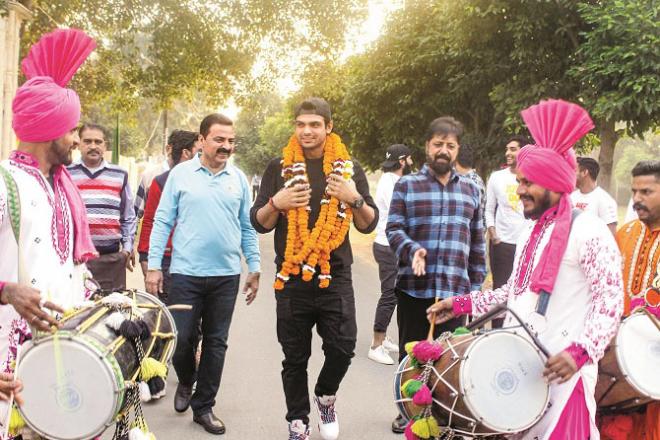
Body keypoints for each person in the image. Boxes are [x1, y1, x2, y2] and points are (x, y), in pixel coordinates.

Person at [428, 99, 623, 439]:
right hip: (521, 372)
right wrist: (460, 304)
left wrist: (580, 353)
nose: (519, 192)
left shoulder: (589, 230)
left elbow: (610, 301)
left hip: (565, 378)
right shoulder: (532, 230)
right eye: (519, 182)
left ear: (553, 182)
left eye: (528, 183)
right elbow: (513, 293)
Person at [250, 97, 377, 440]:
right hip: (291, 276)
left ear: (328, 127)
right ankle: (298, 421)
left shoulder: (347, 168)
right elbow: (259, 222)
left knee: (343, 346)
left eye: (315, 124)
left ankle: (325, 396)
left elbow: (368, 224)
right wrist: (277, 202)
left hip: (335, 275)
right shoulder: (279, 168)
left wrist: (354, 198)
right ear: (295, 127)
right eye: (301, 124)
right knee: (294, 356)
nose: (307, 131)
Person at [0, 28, 97, 412]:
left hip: (60, 356)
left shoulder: (61, 187)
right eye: (72, 129)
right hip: (10, 364)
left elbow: (67, 266)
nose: (77, 139)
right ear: (48, 130)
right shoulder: (6, 182)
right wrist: (7, 290)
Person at [146, 113, 260, 435]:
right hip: (185, 274)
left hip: (225, 276)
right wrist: (155, 265)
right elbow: (163, 222)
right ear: (202, 140)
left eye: (231, 141)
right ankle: (185, 378)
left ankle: (204, 407)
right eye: (219, 139)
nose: (226, 146)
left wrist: (255, 266)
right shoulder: (180, 176)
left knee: (216, 342)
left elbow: (246, 226)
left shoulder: (238, 178)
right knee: (180, 340)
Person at [386, 116, 486, 433]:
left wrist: (474, 293)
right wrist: (412, 249)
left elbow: (477, 243)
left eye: (450, 145)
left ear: (457, 150)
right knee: (413, 359)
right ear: (427, 146)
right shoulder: (407, 185)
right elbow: (393, 229)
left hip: (455, 295)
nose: (443, 150)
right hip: (415, 289)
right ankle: (410, 414)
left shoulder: (472, 190)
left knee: (451, 361)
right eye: (438, 144)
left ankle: (444, 420)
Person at [600, 160, 660, 440]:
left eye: (646, 192)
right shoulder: (625, 234)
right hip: (619, 358)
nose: (636, 199)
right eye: (634, 191)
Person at [68, 123, 137, 291]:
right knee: (77, 313)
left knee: (112, 312)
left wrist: (127, 249)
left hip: (112, 260)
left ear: (105, 145)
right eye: (87, 141)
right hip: (75, 260)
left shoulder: (119, 175)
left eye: (98, 142)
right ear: (79, 144)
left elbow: (128, 216)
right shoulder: (66, 173)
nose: (93, 146)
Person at [137, 129, 201, 304]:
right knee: (166, 319)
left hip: (196, 262)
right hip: (166, 261)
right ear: (187, 154)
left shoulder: (206, 182)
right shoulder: (160, 181)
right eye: (199, 152)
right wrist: (145, 257)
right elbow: (149, 220)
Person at [368, 144, 413, 365]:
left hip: (387, 244)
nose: (412, 162)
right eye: (410, 159)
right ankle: (376, 345)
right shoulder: (394, 182)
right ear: (403, 161)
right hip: (388, 246)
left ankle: (383, 338)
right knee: (389, 295)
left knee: (393, 294)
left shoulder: (388, 179)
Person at [485, 135, 530, 289]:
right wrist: (494, 236)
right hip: (502, 244)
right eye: (507, 149)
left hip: (525, 244)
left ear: (523, 152)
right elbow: (489, 209)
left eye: (513, 149)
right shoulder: (496, 177)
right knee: (499, 289)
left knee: (521, 289)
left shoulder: (532, 177)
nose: (508, 153)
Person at [573, 156, 618, 235]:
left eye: (574, 170)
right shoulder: (571, 197)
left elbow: (611, 236)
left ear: (584, 172)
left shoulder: (605, 200)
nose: (571, 174)